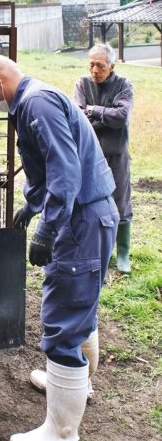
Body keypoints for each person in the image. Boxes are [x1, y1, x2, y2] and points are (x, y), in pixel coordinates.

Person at [0, 55, 118, 441]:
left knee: (65, 315)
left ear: (0, 82)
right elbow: (47, 170)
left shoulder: (35, 104)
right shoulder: (37, 97)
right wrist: (33, 204)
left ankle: (61, 432)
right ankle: (76, 382)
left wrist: (48, 228)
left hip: (81, 218)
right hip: (89, 214)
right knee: (80, 305)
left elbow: (65, 170)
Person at [73, 43, 134, 273]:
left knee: (120, 200)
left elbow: (121, 117)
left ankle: (123, 253)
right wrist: (99, 115)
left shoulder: (123, 85)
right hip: (91, 154)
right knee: (90, 199)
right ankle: (102, 249)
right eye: (91, 65)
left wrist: (94, 110)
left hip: (116, 153)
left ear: (111, 66)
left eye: (99, 65)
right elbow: (78, 116)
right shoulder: (82, 84)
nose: (94, 70)